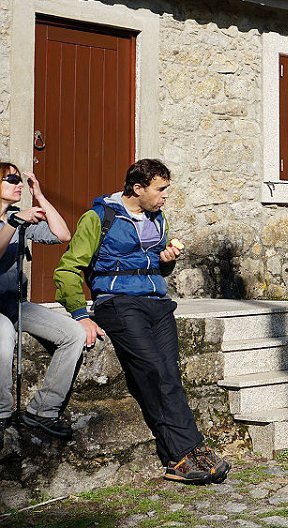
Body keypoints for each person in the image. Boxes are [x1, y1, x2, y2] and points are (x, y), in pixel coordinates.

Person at [54, 159, 231, 484]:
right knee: (153, 371)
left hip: (157, 304)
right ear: (138, 188)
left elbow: (157, 267)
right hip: (117, 303)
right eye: (160, 189)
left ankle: (182, 455)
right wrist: (80, 314)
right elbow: (68, 269)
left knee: (169, 374)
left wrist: (166, 260)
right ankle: (188, 452)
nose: (165, 196)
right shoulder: (99, 217)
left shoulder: (158, 219)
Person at [0, 163, 84, 439]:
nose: (18, 184)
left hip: (15, 304)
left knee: (73, 333)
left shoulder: (18, 218)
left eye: (20, 180)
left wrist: (40, 197)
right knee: (3, 335)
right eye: (11, 179)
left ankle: (43, 410)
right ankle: (1, 414)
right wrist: (14, 223)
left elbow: (63, 235)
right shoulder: (15, 221)